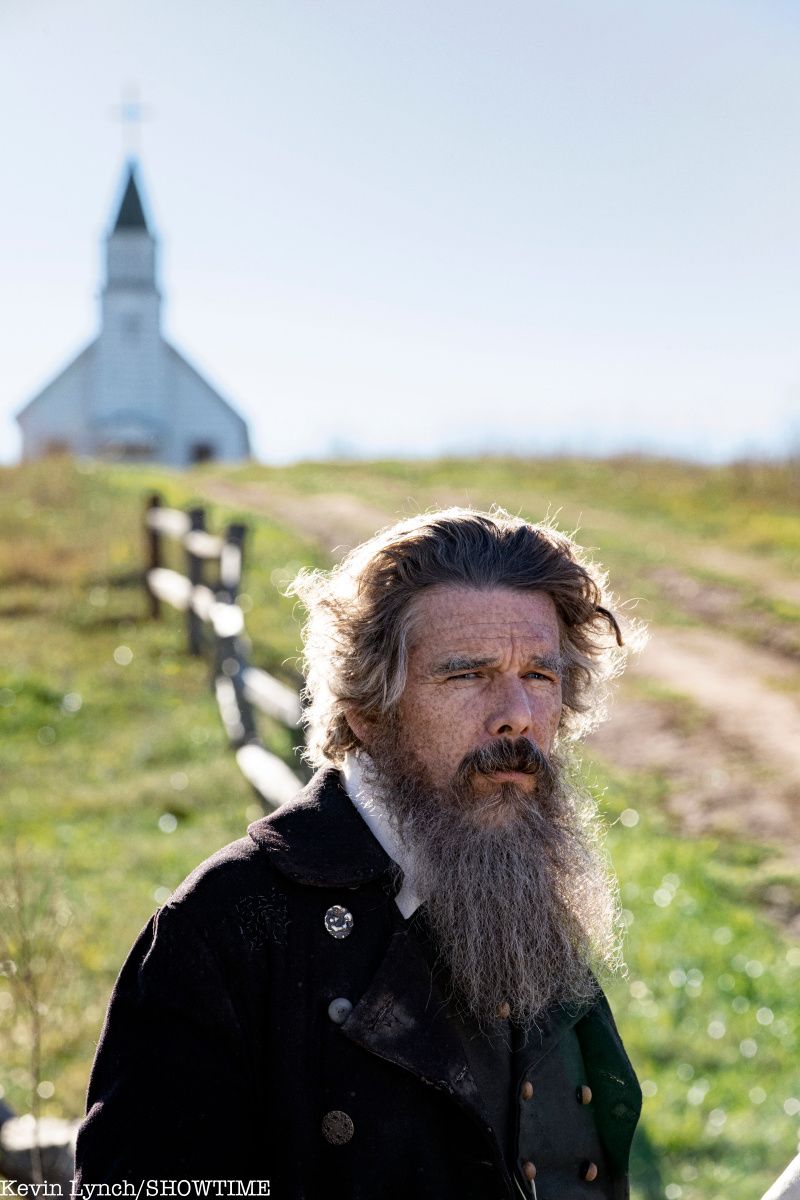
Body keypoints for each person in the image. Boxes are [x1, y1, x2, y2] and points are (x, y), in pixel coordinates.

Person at [75, 508, 643, 1200]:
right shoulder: (226, 930)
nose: (516, 713)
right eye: (468, 677)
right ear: (365, 706)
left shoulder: (520, 892)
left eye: (540, 677)